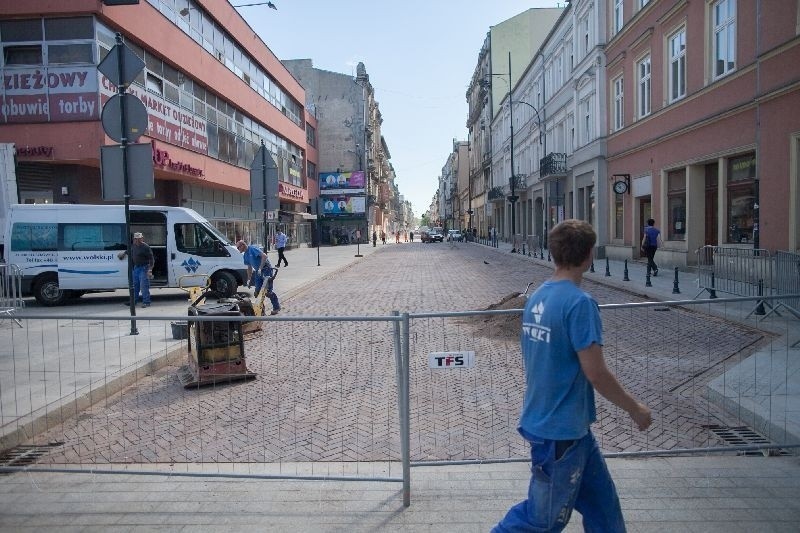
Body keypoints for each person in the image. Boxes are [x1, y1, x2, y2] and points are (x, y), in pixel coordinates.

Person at [493, 219, 652, 533]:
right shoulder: (580, 304)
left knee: (605, 514)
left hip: (567, 428)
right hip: (560, 433)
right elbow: (596, 373)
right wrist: (635, 408)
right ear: (589, 254)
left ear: (552, 252)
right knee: (541, 521)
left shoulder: (538, 296)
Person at [236, 239, 280, 315]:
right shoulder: (245, 255)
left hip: (266, 269)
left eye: (238, 247)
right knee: (257, 292)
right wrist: (249, 279)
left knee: (267, 292)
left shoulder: (252, 249)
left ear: (243, 245)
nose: (238, 249)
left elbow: (264, 256)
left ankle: (276, 307)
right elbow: (249, 267)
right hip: (258, 272)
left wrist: (260, 267)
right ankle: (261, 311)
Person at [120, 232, 153, 307]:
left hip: (144, 268)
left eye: (139, 239)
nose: (137, 240)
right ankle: (133, 301)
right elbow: (129, 251)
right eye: (136, 239)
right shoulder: (133, 246)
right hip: (136, 268)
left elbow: (151, 259)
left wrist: (150, 269)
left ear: (142, 238)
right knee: (135, 286)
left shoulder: (146, 247)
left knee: (143, 286)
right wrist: (124, 253)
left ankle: (146, 302)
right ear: (134, 240)